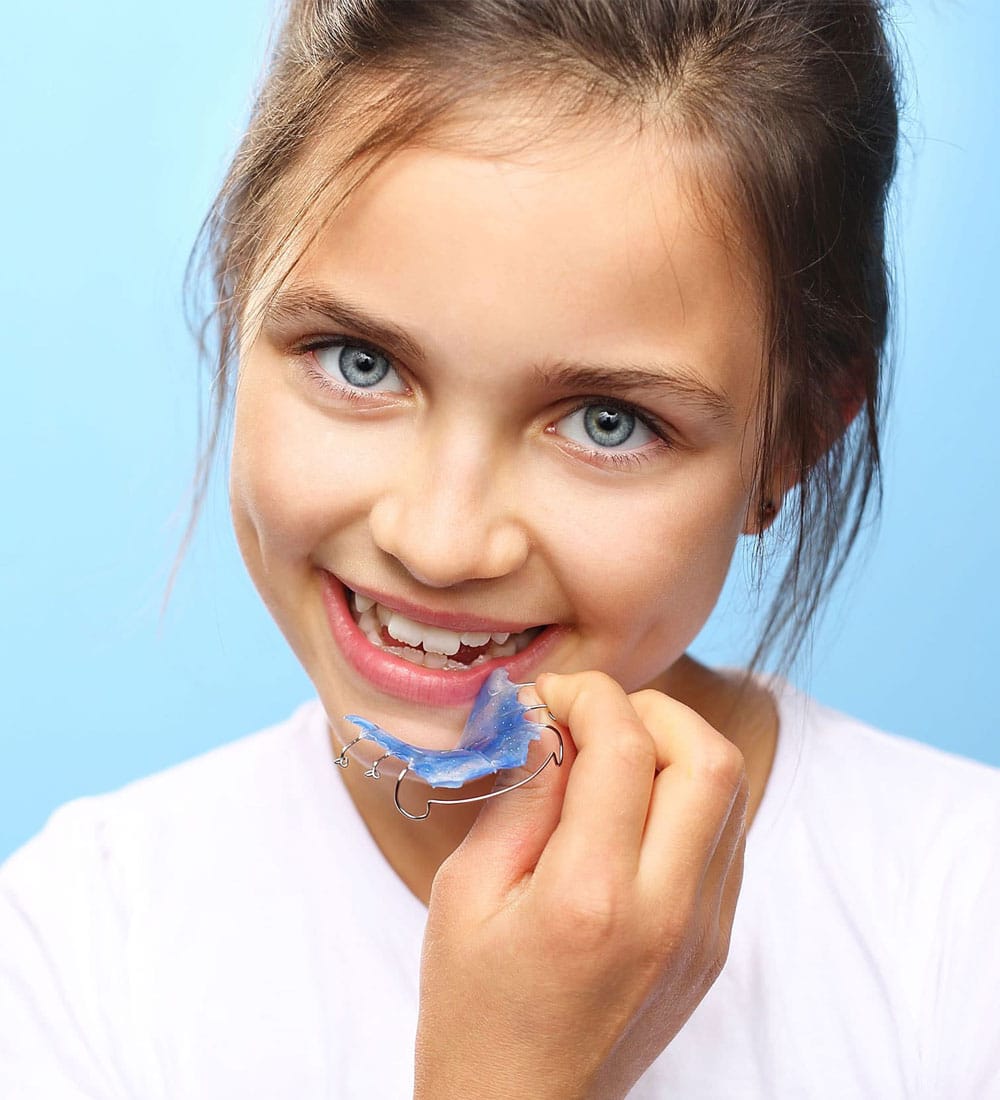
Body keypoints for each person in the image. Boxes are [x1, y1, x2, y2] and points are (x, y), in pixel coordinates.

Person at [2, 1, 998, 1096]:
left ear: (790, 445)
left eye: (606, 420)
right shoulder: (79, 950)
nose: (437, 541)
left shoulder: (958, 925)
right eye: (359, 360)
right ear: (240, 294)